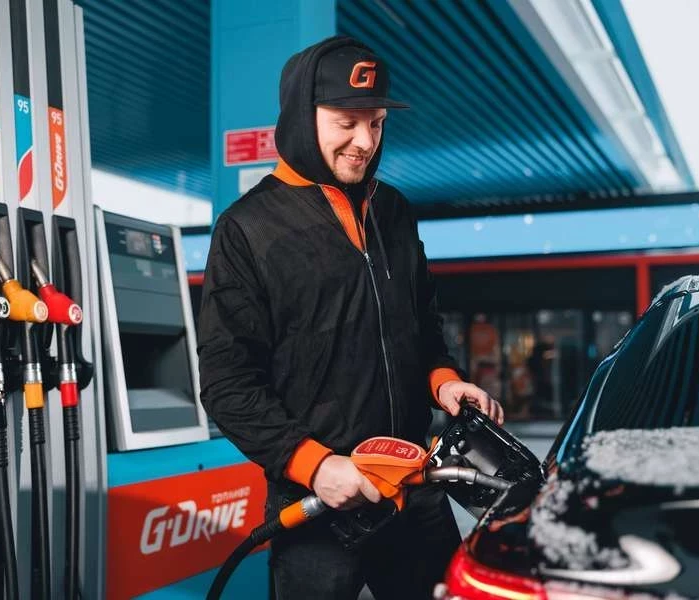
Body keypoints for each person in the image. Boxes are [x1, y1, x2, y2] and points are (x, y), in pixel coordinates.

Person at [197, 35, 504, 599]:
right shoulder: (247, 229)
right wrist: (314, 466)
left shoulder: (394, 211)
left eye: (377, 124)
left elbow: (423, 330)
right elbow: (227, 384)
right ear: (301, 116)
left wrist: (445, 382)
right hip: (319, 502)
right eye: (347, 123)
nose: (365, 141)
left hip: (414, 487)